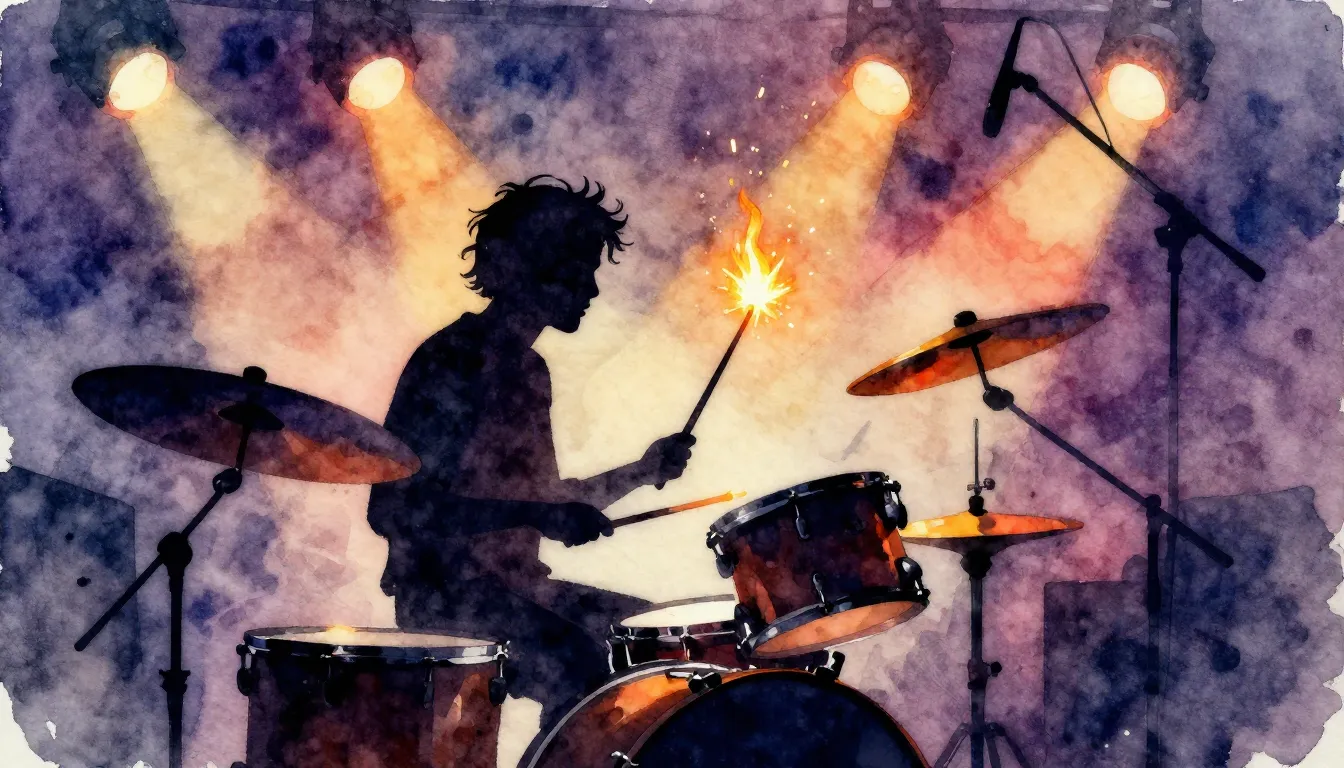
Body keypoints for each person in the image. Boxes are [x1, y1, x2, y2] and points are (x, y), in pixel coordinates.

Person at [367, 175, 694, 727]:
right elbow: (395, 509)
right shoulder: (454, 360)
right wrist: (538, 514)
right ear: (524, 265)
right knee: (576, 664)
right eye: (578, 269)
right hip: (444, 595)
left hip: (518, 585)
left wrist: (642, 471)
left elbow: (545, 500)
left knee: (659, 645)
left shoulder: (529, 370)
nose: (591, 289)